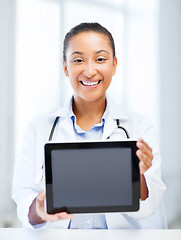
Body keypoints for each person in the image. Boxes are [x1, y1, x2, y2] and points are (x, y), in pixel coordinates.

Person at [12, 22, 166, 230]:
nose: (90, 70)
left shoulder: (140, 127)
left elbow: (150, 206)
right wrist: (38, 211)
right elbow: (24, 197)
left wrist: (137, 175)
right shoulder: (38, 128)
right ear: (66, 67)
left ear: (114, 65)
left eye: (100, 59)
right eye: (78, 60)